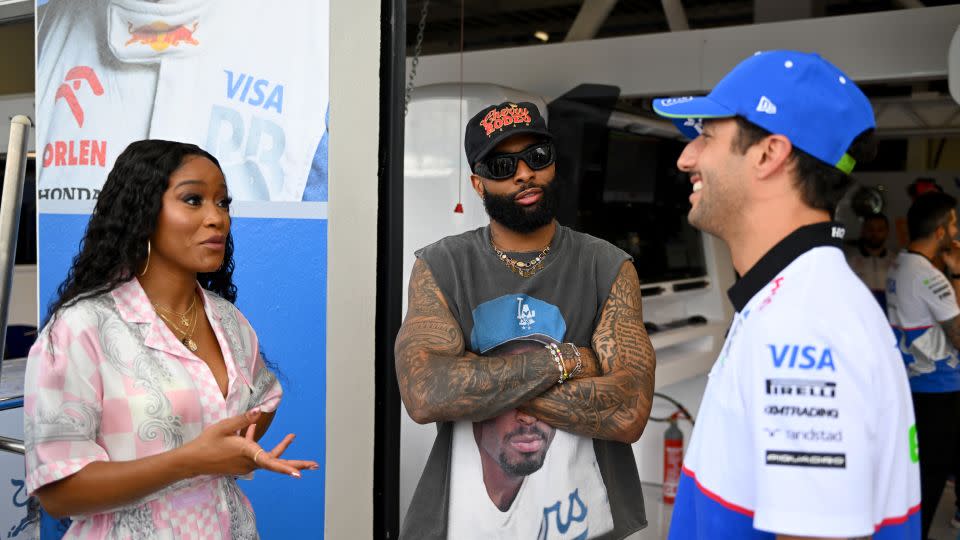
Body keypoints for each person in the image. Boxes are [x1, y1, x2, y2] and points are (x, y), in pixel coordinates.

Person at [653, 50, 920, 538]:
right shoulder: (792, 301)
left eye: (706, 135)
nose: (685, 157)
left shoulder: (804, 323)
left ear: (769, 153)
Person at [24, 140, 318, 539]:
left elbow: (263, 398)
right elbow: (59, 494)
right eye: (193, 200)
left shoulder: (226, 319)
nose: (217, 218)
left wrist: (235, 449)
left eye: (223, 202)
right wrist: (194, 460)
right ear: (142, 212)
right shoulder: (81, 327)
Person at [395, 101, 655, 539]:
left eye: (536, 157)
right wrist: (569, 361)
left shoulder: (606, 265)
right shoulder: (442, 265)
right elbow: (424, 394)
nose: (523, 174)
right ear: (478, 183)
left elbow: (630, 411)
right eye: (501, 165)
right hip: (467, 522)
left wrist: (477, 381)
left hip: (585, 519)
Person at [887, 191, 960, 538]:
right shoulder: (930, 277)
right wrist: (958, 275)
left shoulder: (901, 263)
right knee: (932, 473)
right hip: (941, 387)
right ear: (941, 231)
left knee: (929, 468)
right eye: (955, 222)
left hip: (917, 384)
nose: (957, 229)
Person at [846, 213, 896, 309]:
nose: (874, 234)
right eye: (870, 229)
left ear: (887, 232)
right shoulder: (849, 261)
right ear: (863, 231)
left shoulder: (896, 262)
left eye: (880, 230)